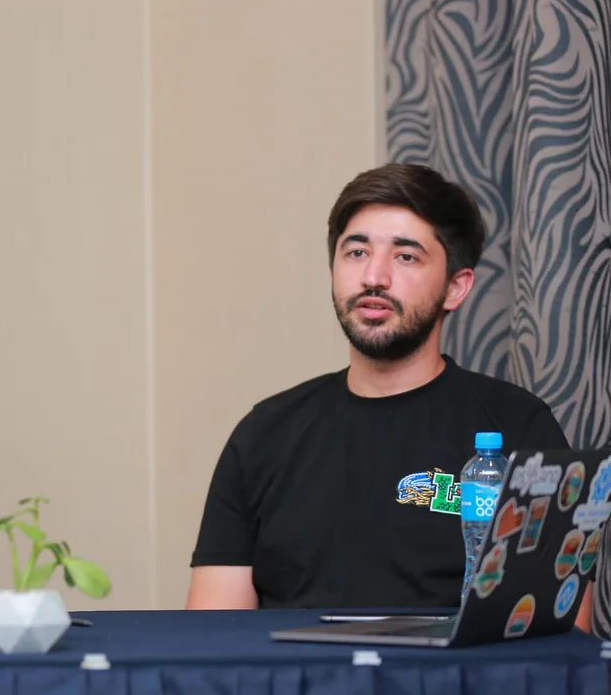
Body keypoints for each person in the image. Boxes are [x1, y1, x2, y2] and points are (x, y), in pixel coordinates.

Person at [186, 162, 574, 613]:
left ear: (455, 288)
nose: (373, 277)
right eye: (356, 252)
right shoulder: (263, 435)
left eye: (406, 256)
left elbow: (559, 632)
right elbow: (215, 634)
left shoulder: (519, 428)